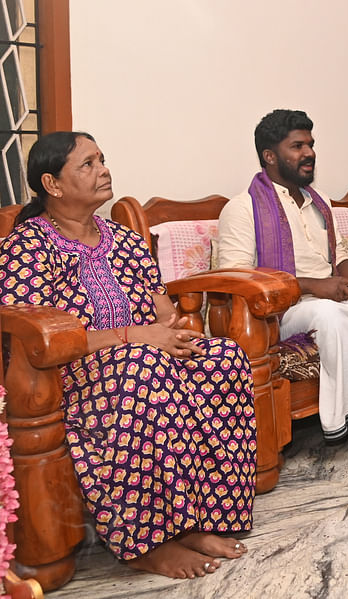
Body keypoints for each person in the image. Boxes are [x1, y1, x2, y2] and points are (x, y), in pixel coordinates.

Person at [0, 132, 255, 579]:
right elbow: (36, 339)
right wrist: (133, 336)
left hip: (142, 358)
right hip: (68, 374)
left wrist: (172, 333)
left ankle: (200, 519)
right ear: (52, 184)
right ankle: (149, 543)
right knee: (143, 366)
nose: (104, 169)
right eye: (87, 164)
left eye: (102, 159)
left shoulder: (125, 240)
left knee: (222, 357)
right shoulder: (28, 246)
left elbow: (164, 314)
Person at [216, 110, 348, 456]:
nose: (309, 153)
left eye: (311, 145)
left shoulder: (320, 203)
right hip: (282, 312)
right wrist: (315, 286)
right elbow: (238, 278)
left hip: (329, 297)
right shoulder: (242, 209)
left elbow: (340, 258)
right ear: (270, 156)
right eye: (297, 146)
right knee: (333, 318)